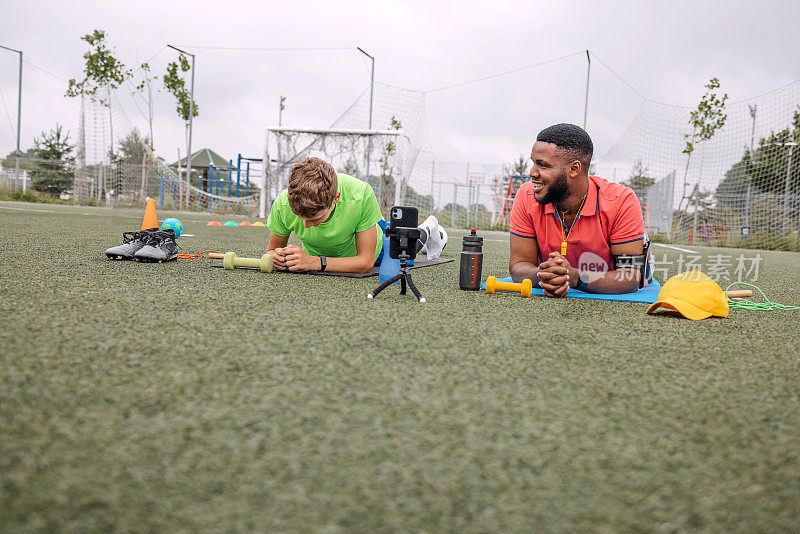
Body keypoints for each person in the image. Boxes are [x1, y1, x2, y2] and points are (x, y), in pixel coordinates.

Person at [508, 123, 651, 297]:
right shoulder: (526, 195)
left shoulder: (621, 200)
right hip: (561, 272)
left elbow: (630, 277)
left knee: (641, 269)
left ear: (574, 169)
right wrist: (546, 276)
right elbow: (519, 264)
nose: (532, 172)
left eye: (542, 165)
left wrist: (574, 277)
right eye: (533, 163)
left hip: (609, 276)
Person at [266, 157, 447, 273]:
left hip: (375, 249)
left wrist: (314, 262)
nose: (305, 226)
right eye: (300, 217)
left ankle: (428, 227)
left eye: (315, 219)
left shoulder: (361, 193)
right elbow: (271, 251)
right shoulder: (283, 203)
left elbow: (365, 262)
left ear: (336, 198)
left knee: (405, 247)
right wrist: (278, 258)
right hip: (326, 254)